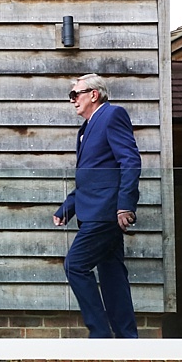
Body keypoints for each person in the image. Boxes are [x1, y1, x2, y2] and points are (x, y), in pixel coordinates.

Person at [53, 73, 141, 338]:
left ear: (94, 94)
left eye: (75, 94)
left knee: (75, 265)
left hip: (105, 213)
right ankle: (127, 338)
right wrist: (68, 207)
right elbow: (93, 176)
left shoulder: (113, 115)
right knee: (113, 275)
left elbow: (130, 161)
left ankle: (100, 334)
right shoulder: (87, 127)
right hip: (94, 210)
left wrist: (125, 205)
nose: (72, 101)